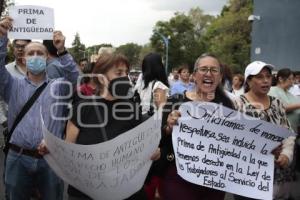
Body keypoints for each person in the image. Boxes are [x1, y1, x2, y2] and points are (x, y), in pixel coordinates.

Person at [0, 17, 79, 200]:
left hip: (51, 160)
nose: (35, 56)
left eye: (40, 53)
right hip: (17, 158)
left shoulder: (59, 86)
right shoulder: (12, 85)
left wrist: (61, 50)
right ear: (23, 59)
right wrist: (2, 38)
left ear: (47, 58)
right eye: (31, 53)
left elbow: (77, 79)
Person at [64, 52, 160, 200]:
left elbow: (142, 146)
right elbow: (67, 150)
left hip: (123, 190)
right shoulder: (81, 109)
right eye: (119, 72)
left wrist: (153, 150)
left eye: (126, 73)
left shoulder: (132, 109)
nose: (125, 77)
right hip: (85, 191)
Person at [160, 54, 234, 200]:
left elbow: (236, 141)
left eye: (214, 70)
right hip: (180, 178)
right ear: (194, 75)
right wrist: (169, 127)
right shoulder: (175, 102)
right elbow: (160, 138)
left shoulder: (227, 105)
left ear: (220, 77)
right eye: (204, 69)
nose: (208, 73)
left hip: (213, 181)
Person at [234, 61, 295, 200]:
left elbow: (288, 132)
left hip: (275, 174)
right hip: (247, 175)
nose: (266, 80)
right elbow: (232, 139)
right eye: (260, 77)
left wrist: (286, 154)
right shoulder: (238, 104)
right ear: (249, 81)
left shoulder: (277, 103)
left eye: (268, 76)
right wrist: (264, 148)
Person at [134, 53, 169, 200]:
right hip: (153, 129)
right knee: (155, 164)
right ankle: (153, 193)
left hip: (138, 127)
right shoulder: (158, 86)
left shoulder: (140, 84)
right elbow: (162, 109)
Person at [268, 68, 300, 133]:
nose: (292, 82)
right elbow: (278, 108)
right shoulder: (272, 90)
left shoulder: (290, 94)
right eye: (290, 79)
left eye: (293, 79)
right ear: (280, 79)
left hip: (293, 132)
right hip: (278, 132)